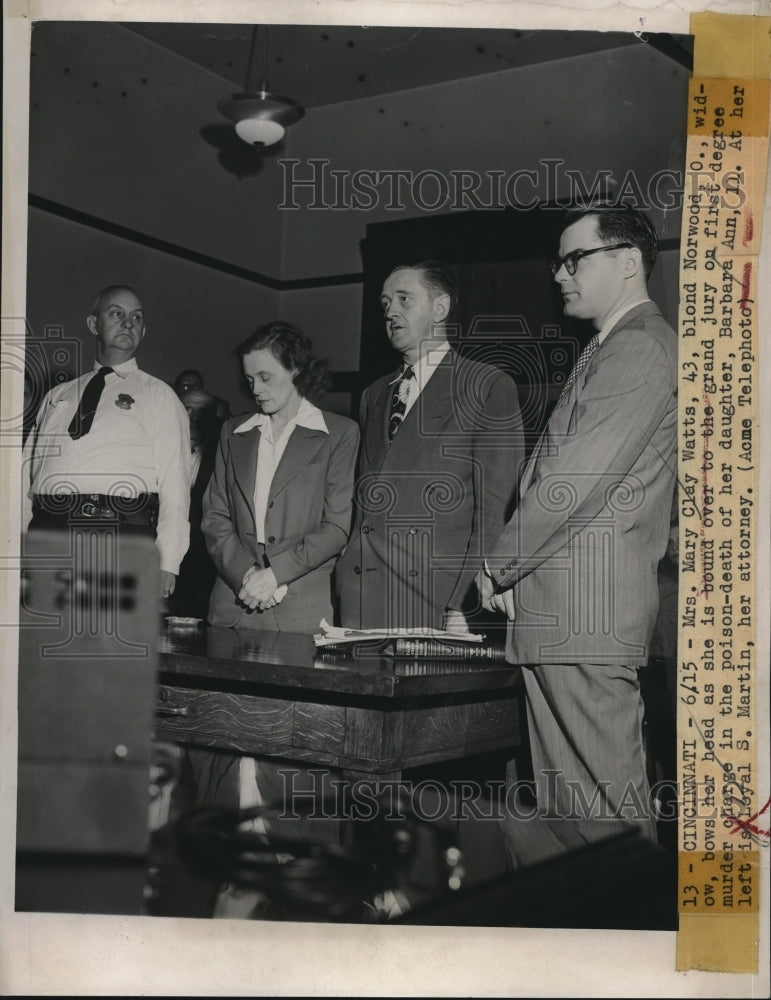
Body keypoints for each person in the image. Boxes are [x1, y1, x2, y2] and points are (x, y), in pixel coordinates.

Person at [477, 205, 677, 855]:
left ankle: (625, 949)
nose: (556, 274)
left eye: (573, 259)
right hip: (566, 614)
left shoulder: (640, 346)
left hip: (584, 615)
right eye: (556, 261)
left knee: (604, 830)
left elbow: (574, 479)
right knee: (570, 827)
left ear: (625, 262)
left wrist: (497, 564)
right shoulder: (613, 346)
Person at [337, 260, 523, 632]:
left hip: (435, 599)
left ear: (440, 308)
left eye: (404, 299)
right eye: (386, 302)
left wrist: (466, 601)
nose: (391, 311)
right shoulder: (374, 395)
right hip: (360, 592)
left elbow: (496, 507)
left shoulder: (485, 385)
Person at [22, 285, 191, 599]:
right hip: (49, 533)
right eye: (117, 314)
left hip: (120, 534)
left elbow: (175, 484)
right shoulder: (57, 396)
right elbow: (26, 476)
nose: (128, 323)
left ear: (143, 330)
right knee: (46, 641)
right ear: (93, 324)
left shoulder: (159, 396)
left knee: (108, 644)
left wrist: (168, 559)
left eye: (136, 318)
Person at [202, 320, 359, 632]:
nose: (255, 389)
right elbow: (214, 516)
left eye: (265, 377)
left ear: (296, 370)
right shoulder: (233, 432)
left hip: (301, 612)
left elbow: (337, 528)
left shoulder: (339, 434)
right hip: (234, 605)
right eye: (250, 379)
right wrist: (246, 576)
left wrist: (274, 575)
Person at [167, 387, 221, 619]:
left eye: (203, 412)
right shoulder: (155, 450)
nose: (194, 417)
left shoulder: (223, 457)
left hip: (202, 567)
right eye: (188, 409)